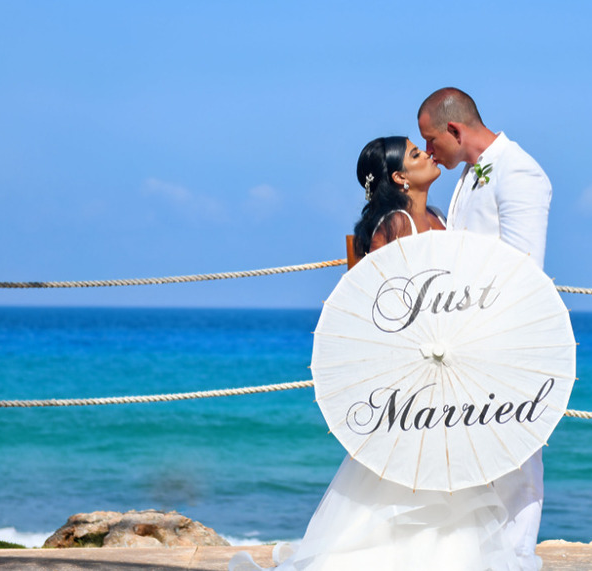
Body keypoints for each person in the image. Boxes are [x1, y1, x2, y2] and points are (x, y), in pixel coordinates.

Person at [233, 136, 535, 571]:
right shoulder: (393, 226)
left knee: (450, 460)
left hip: (445, 362)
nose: (428, 155)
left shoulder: (438, 217)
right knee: (415, 464)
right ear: (399, 177)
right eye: (416, 154)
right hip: (413, 365)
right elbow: (383, 304)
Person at [418, 87, 552, 567]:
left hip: (507, 337)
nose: (430, 152)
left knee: (515, 454)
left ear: (455, 129)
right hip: (465, 339)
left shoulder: (518, 172)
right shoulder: (469, 176)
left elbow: (523, 268)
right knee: (473, 451)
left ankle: (515, 555)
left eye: (432, 141)